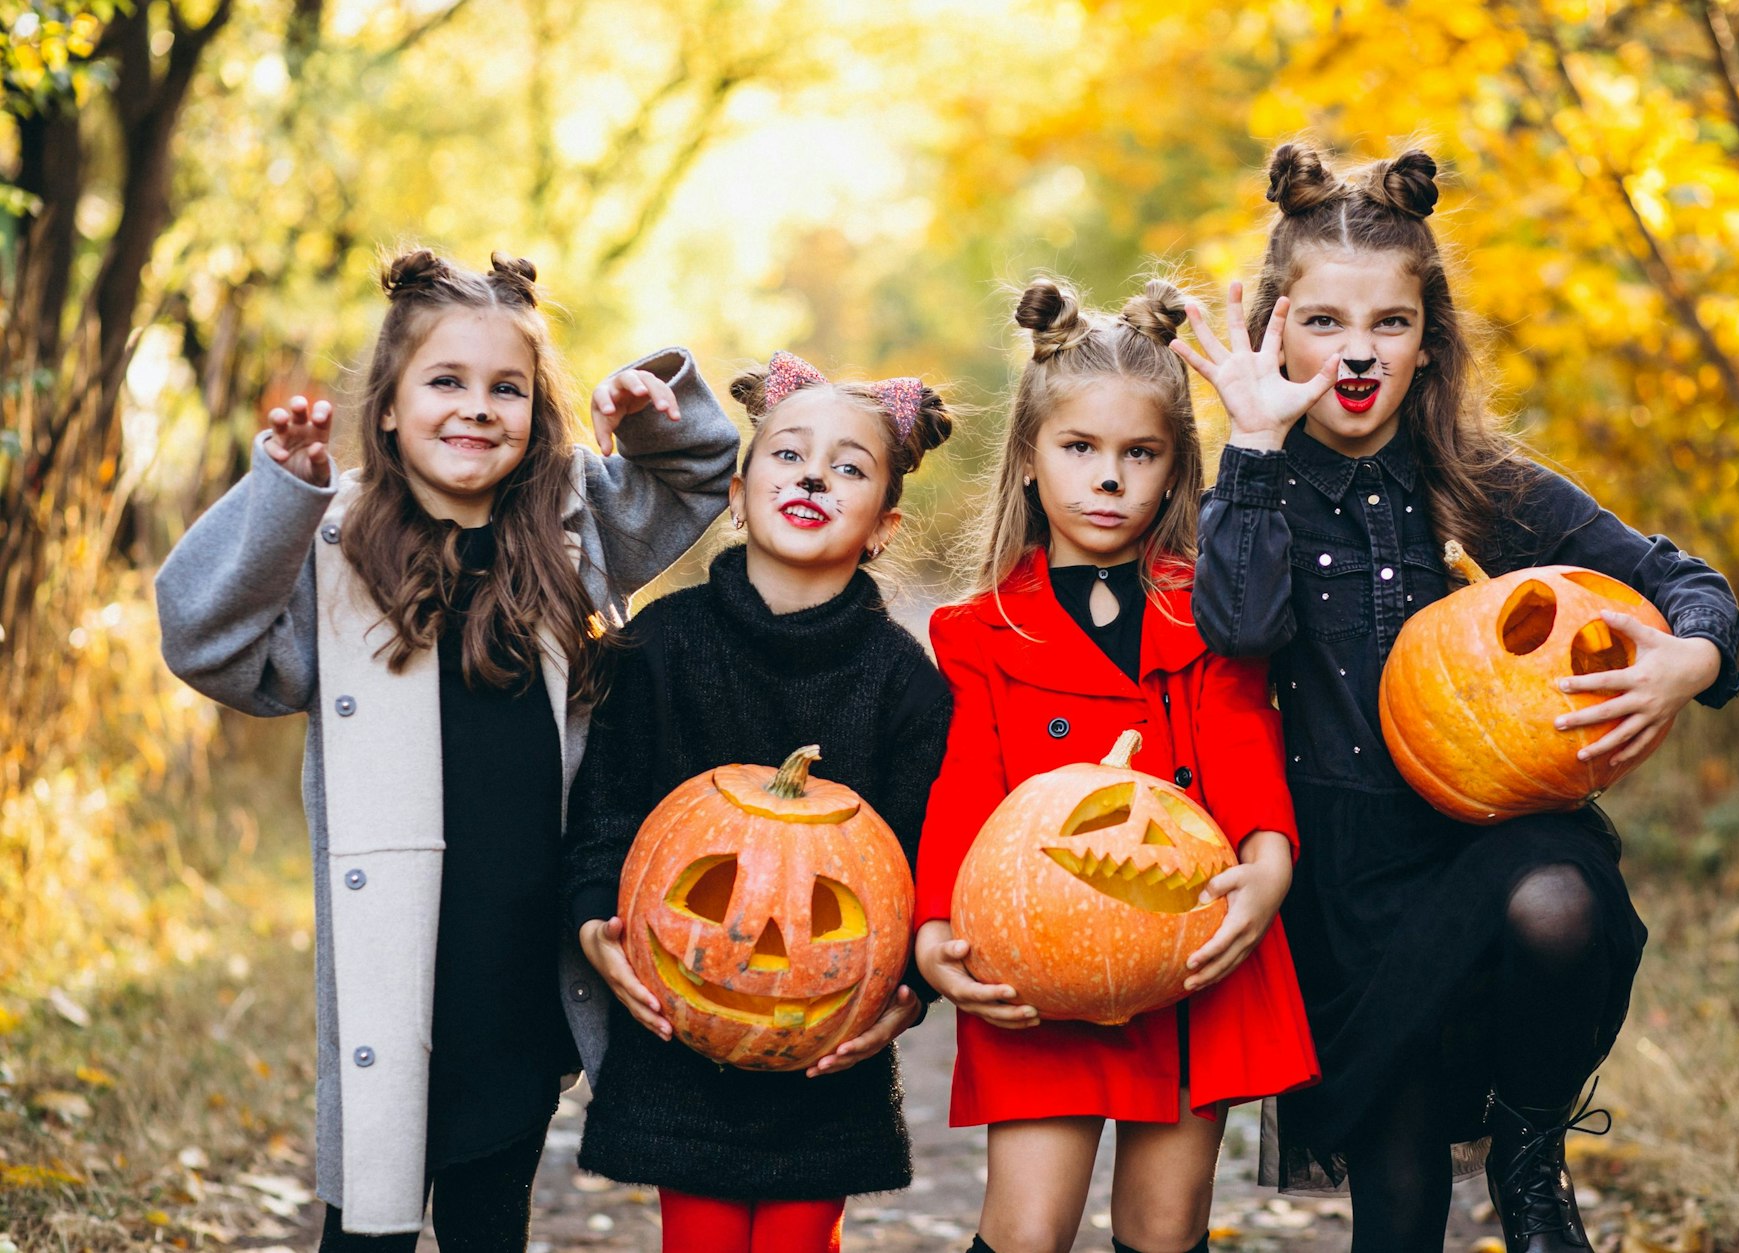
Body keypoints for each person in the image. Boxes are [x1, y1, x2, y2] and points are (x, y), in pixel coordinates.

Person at [1175, 143, 1739, 1252]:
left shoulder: (1495, 489)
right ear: (1274, 331)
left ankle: (1531, 1144)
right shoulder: (1252, 494)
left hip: (1496, 839)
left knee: (1558, 900)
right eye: (1323, 321)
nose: (1355, 351)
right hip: (1348, 884)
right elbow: (1237, 629)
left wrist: (1688, 660)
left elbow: (1685, 582)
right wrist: (1249, 443)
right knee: (1397, 1203)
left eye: (1387, 323)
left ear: (1427, 339)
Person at [155, 248, 739, 1248]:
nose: (476, 407)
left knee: (489, 1209)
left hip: (517, 971)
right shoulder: (333, 548)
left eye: (505, 387)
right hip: (401, 970)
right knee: (369, 1217)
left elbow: (692, 475)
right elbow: (203, 638)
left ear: (535, 408)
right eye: (445, 381)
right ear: (385, 405)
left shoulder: (568, 525)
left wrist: (645, 412)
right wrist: (280, 501)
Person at [914, 279, 1318, 1253]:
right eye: (1079, 448)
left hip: (1188, 947)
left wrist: (1267, 859)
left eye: (1139, 453)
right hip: (1037, 957)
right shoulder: (980, 630)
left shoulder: (1210, 610)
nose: (1109, 478)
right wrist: (933, 928)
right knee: (1025, 1224)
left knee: (1163, 1222)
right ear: (1026, 458)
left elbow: (1240, 730)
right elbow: (963, 784)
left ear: (1175, 470)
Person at [562, 351, 956, 1253]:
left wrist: (908, 990)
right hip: (681, 1022)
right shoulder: (658, 647)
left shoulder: (906, 688)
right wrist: (594, 924)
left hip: (825, 1044)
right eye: (788, 455)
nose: (814, 474)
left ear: (884, 524)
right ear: (736, 494)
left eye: (849, 467)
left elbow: (922, 867)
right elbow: (603, 816)